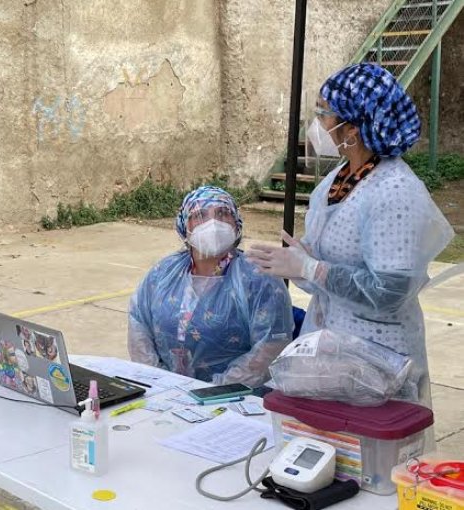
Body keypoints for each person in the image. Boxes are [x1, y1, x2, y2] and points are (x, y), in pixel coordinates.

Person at [247, 63, 453, 405]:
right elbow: (330, 268)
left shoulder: (394, 190)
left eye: (324, 114)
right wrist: (300, 262)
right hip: (330, 350)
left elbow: (389, 290)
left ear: (352, 129)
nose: (318, 125)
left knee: (365, 454)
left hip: (377, 362)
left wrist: (311, 268)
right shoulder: (337, 181)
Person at [128, 186, 294, 388]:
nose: (213, 223)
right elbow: (138, 321)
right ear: (184, 227)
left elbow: (271, 346)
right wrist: (158, 380)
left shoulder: (259, 278)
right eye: (199, 215)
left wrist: (214, 391)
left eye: (223, 213)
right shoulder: (164, 272)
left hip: (233, 400)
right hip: (166, 393)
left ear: (236, 224)